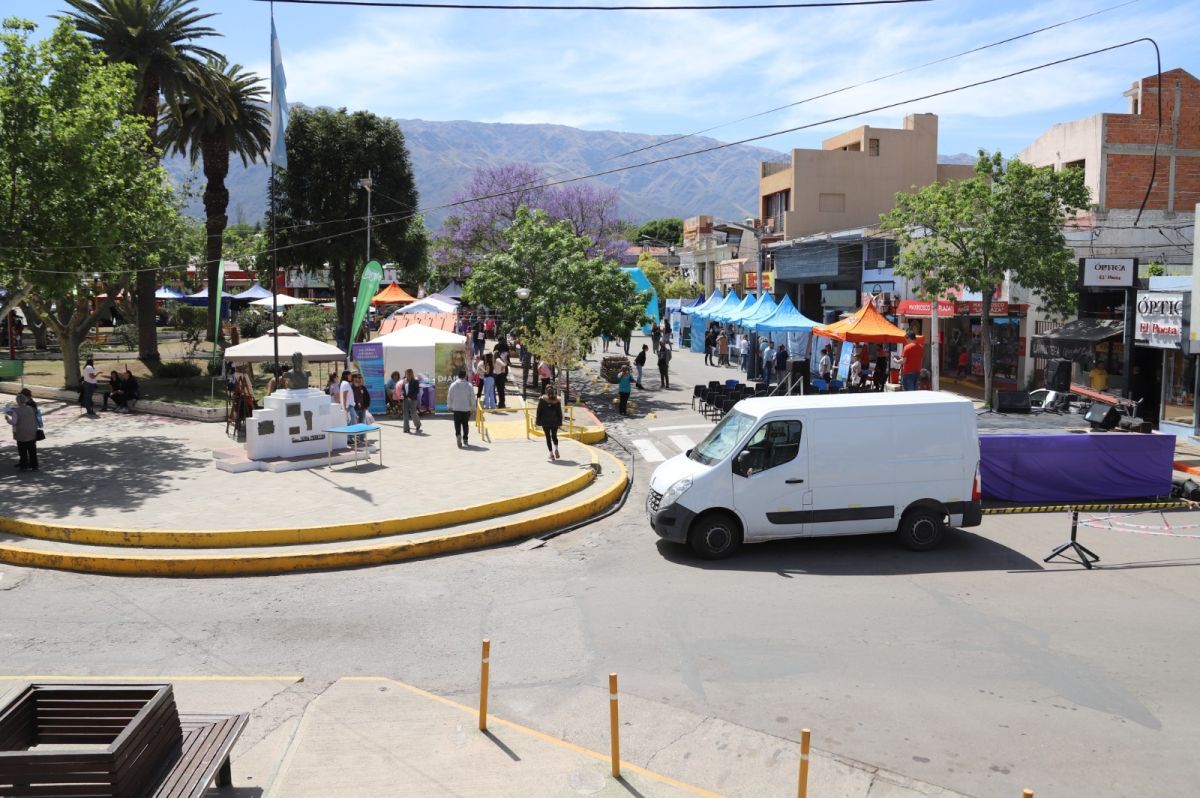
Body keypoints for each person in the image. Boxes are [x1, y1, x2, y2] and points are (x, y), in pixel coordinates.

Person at [6, 393, 38, 471]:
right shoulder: (30, 408)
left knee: (22, 449)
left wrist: (7, 419)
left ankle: (24, 464)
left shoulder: (16, 411)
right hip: (32, 431)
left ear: (17, 401)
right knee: (32, 449)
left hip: (21, 433)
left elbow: (14, 422)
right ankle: (34, 464)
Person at [536, 383, 564, 461]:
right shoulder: (557, 401)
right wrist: (560, 422)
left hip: (545, 422)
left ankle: (551, 454)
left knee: (548, 437)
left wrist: (538, 421)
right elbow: (559, 412)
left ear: (546, 391)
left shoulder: (542, 400)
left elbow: (539, 411)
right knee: (554, 436)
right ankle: (556, 449)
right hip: (555, 421)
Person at [448, 370, 475, 448]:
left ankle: (458, 435)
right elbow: (472, 397)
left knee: (457, 424)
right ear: (465, 376)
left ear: (458, 376)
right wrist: (473, 408)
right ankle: (465, 439)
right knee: (465, 424)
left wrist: (449, 406)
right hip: (466, 408)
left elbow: (449, 396)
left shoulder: (453, 385)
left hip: (456, 408)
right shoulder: (469, 385)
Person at [400, 368, 422, 434]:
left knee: (413, 413)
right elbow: (403, 389)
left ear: (410, 373)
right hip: (405, 399)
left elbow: (417, 391)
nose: (406, 374)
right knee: (405, 414)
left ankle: (418, 424)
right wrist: (402, 394)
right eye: (405, 373)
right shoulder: (404, 381)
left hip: (412, 399)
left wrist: (411, 397)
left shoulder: (415, 381)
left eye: (407, 373)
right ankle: (406, 428)